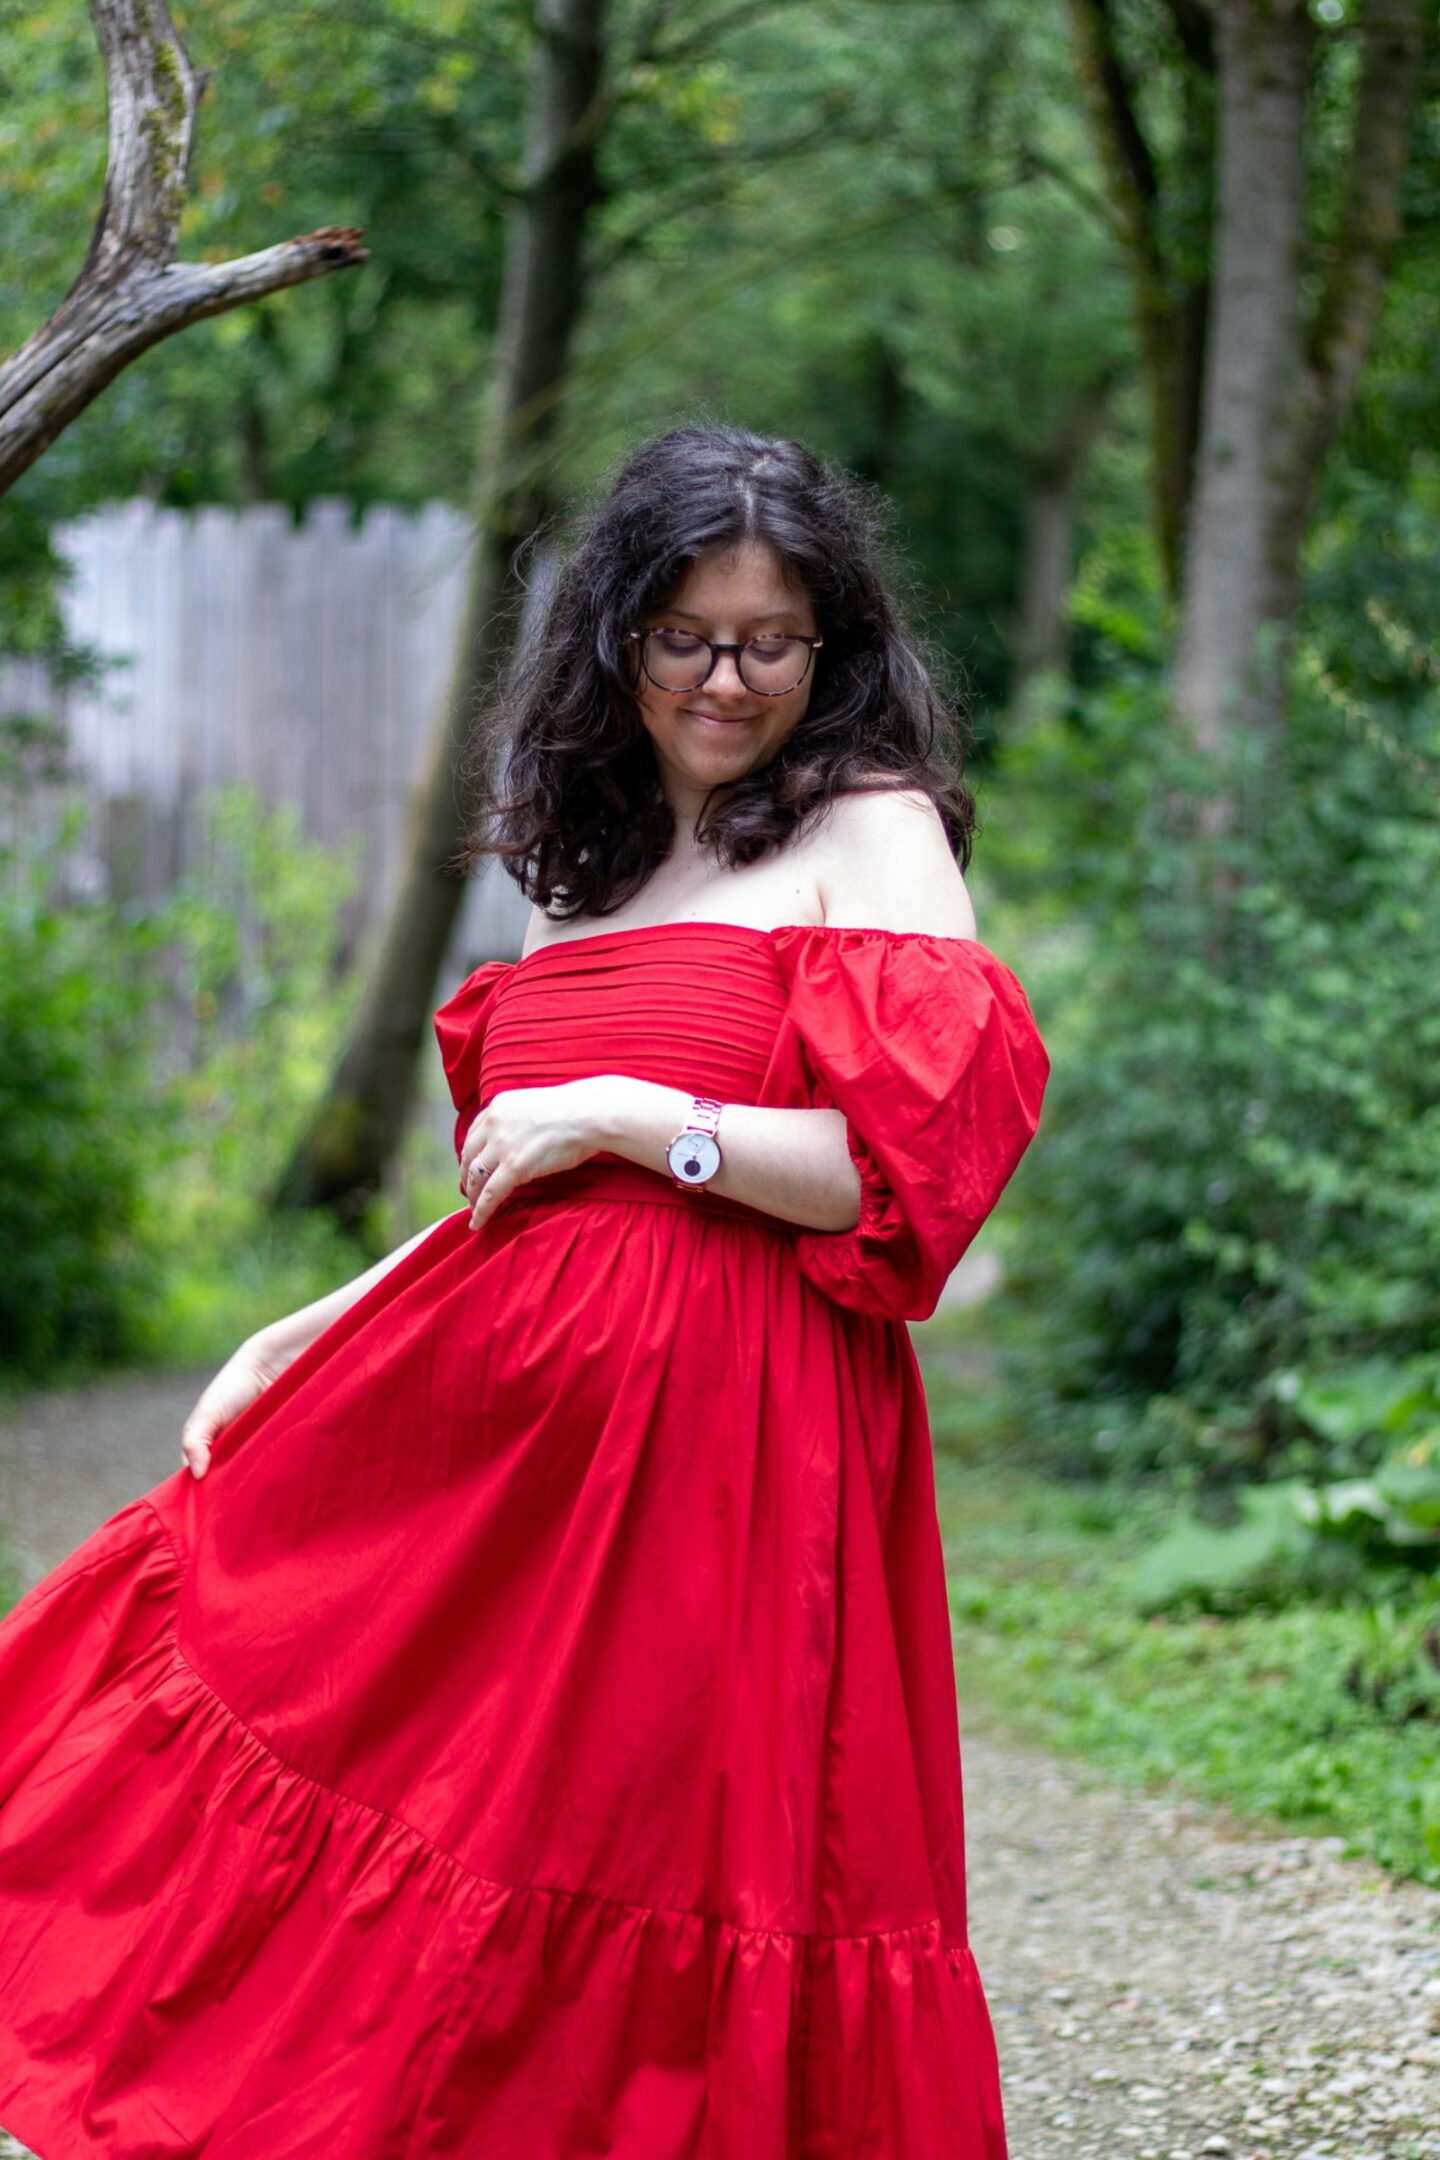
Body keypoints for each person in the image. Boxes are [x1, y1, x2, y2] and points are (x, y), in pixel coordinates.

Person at [0, 424, 1049, 2157]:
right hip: (512, 1457)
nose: (726, 681)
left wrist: (647, 1115)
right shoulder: (605, 860)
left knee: (655, 1846)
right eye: (686, 638)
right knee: (432, 1799)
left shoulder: (873, 829)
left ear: (833, 646)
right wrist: (310, 1326)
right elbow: (522, 1188)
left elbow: (903, 1177)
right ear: (616, 633)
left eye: (770, 642)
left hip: (733, 1446)